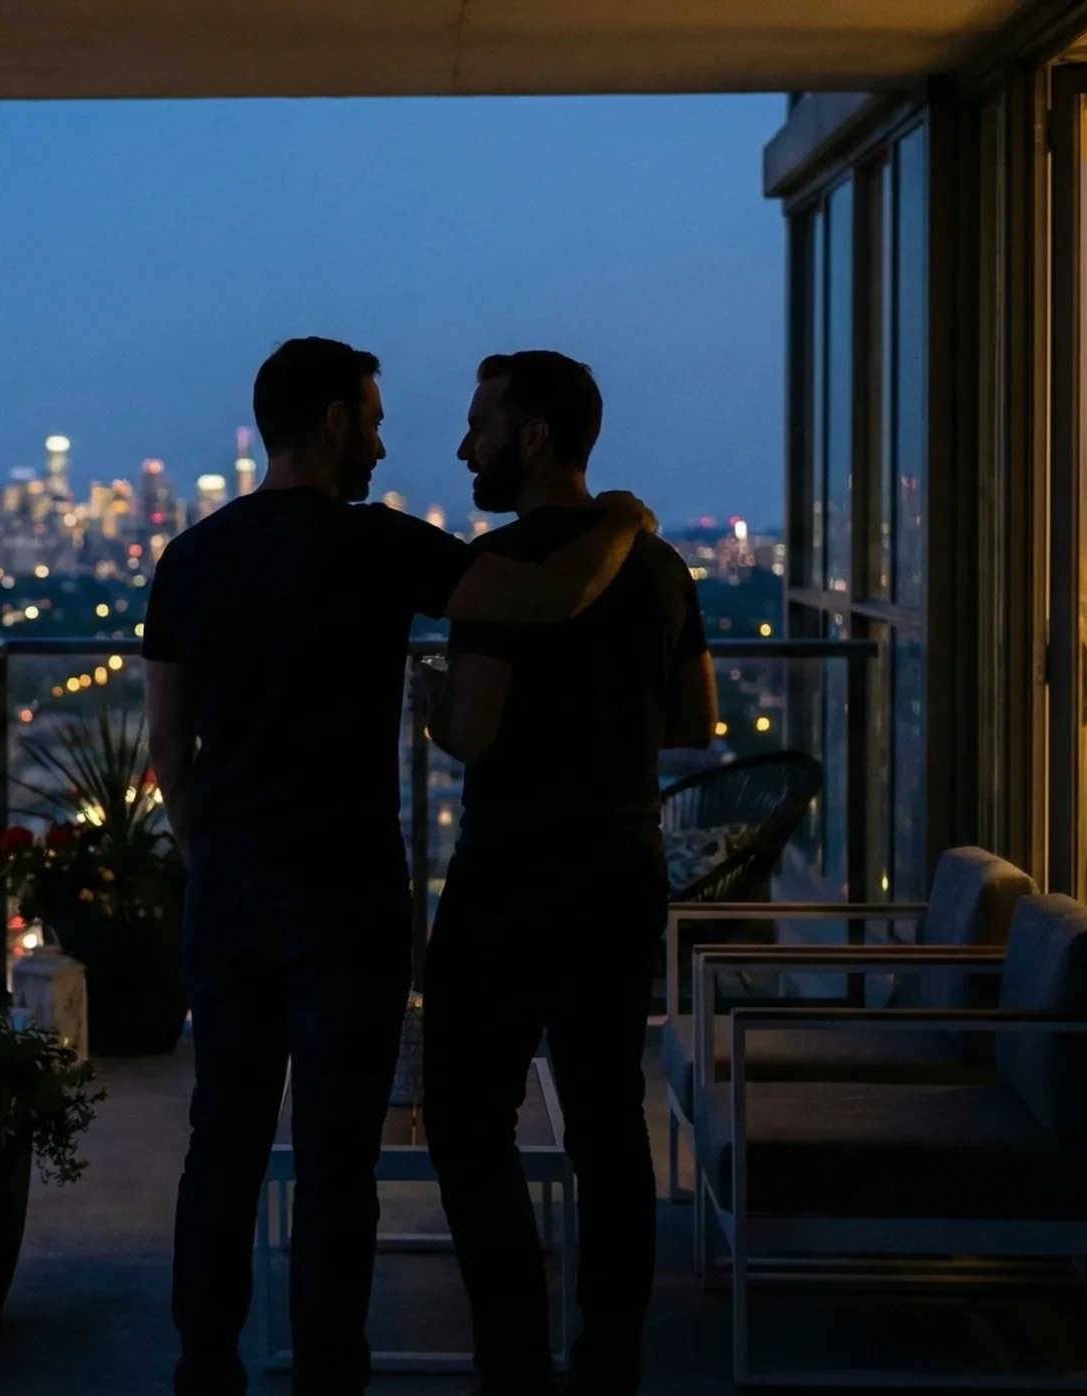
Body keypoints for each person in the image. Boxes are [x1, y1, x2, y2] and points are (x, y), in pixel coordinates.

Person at [140, 336, 657, 1396]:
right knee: (338, 1160)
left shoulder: (189, 557)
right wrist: (620, 519)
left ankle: (205, 1367)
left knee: (221, 1145)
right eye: (371, 419)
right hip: (347, 900)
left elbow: (164, 746)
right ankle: (331, 1372)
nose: (381, 439)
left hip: (233, 892)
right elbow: (546, 599)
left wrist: (212, 854)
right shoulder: (379, 547)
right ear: (332, 421)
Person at [418, 351, 717, 1396]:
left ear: (532, 436)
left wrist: (428, 702)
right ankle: (609, 1357)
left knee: (466, 1117)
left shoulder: (498, 569)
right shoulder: (661, 567)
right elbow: (696, 723)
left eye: (479, 426)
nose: (464, 447)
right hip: (618, 867)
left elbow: (473, 728)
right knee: (604, 1118)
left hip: (509, 872)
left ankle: (512, 1351)